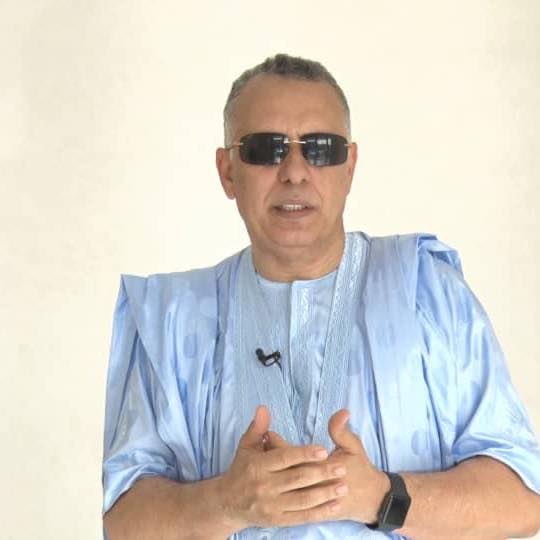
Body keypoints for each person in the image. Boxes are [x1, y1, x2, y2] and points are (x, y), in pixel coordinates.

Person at [101, 53, 540, 539]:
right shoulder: (172, 319)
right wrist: (226, 502)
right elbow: (123, 522)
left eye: (321, 149)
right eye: (266, 149)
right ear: (227, 171)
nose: (295, 171)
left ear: (349, 166)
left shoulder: (426, 293)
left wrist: (383, 497)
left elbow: (524, 499)